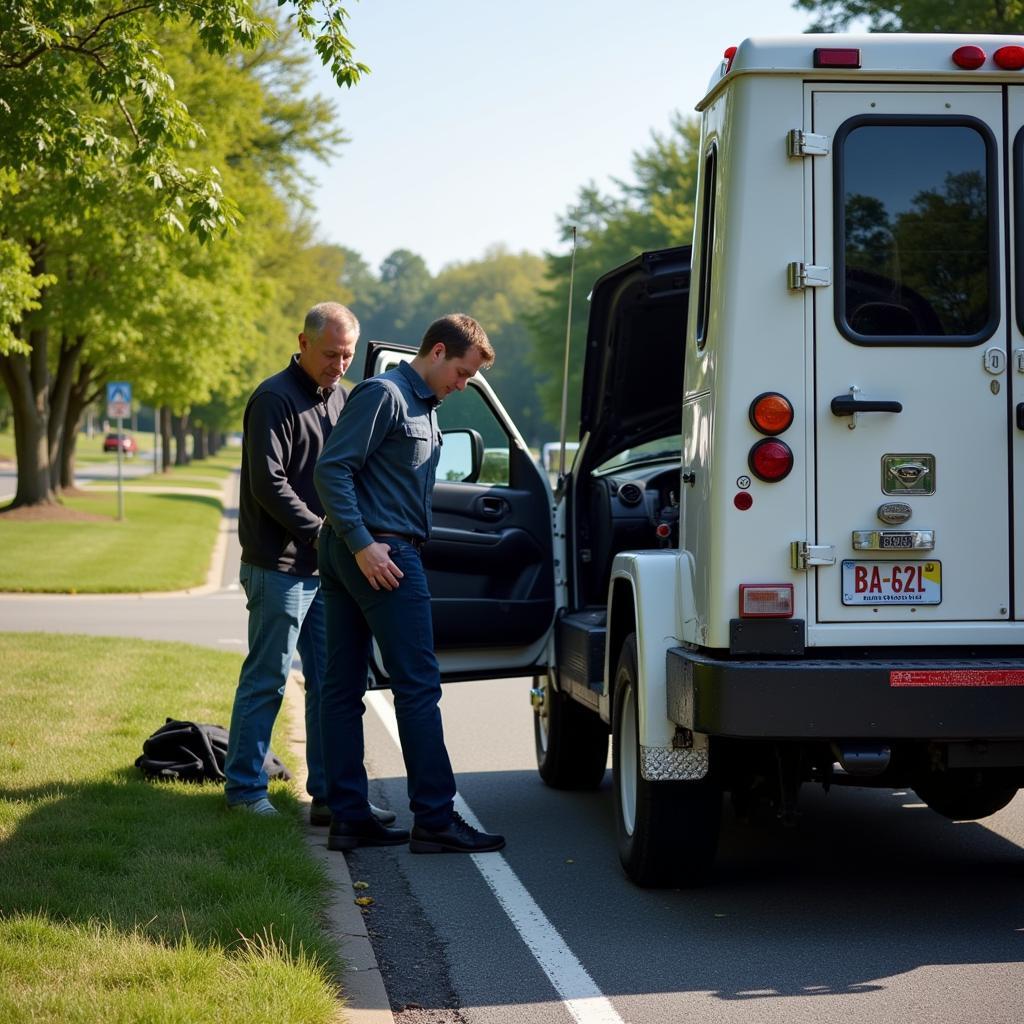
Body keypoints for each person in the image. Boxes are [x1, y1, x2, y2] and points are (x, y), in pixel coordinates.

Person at [314, 313, 505, 853]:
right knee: (416, 686)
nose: (463, 386)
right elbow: (332, 471)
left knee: (343, 686)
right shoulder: (386, 394)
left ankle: (350, 817)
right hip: (379, 554)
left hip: (366, 548)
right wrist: (362, 543)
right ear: (439, 351)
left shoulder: (423, 405)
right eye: (463, 373)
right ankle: (436, 819)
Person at [225, 301, 394, 829]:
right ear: (302, 342)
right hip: (279, 565)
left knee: (332, 685)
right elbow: (267, 483)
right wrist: (325, 533)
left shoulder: (344, 399)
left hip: (328, 570)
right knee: (269, 679)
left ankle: (330, 796)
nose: (339, 365)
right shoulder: (273, 398)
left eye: (346, 356)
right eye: (330, 354)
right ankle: (245, 790)